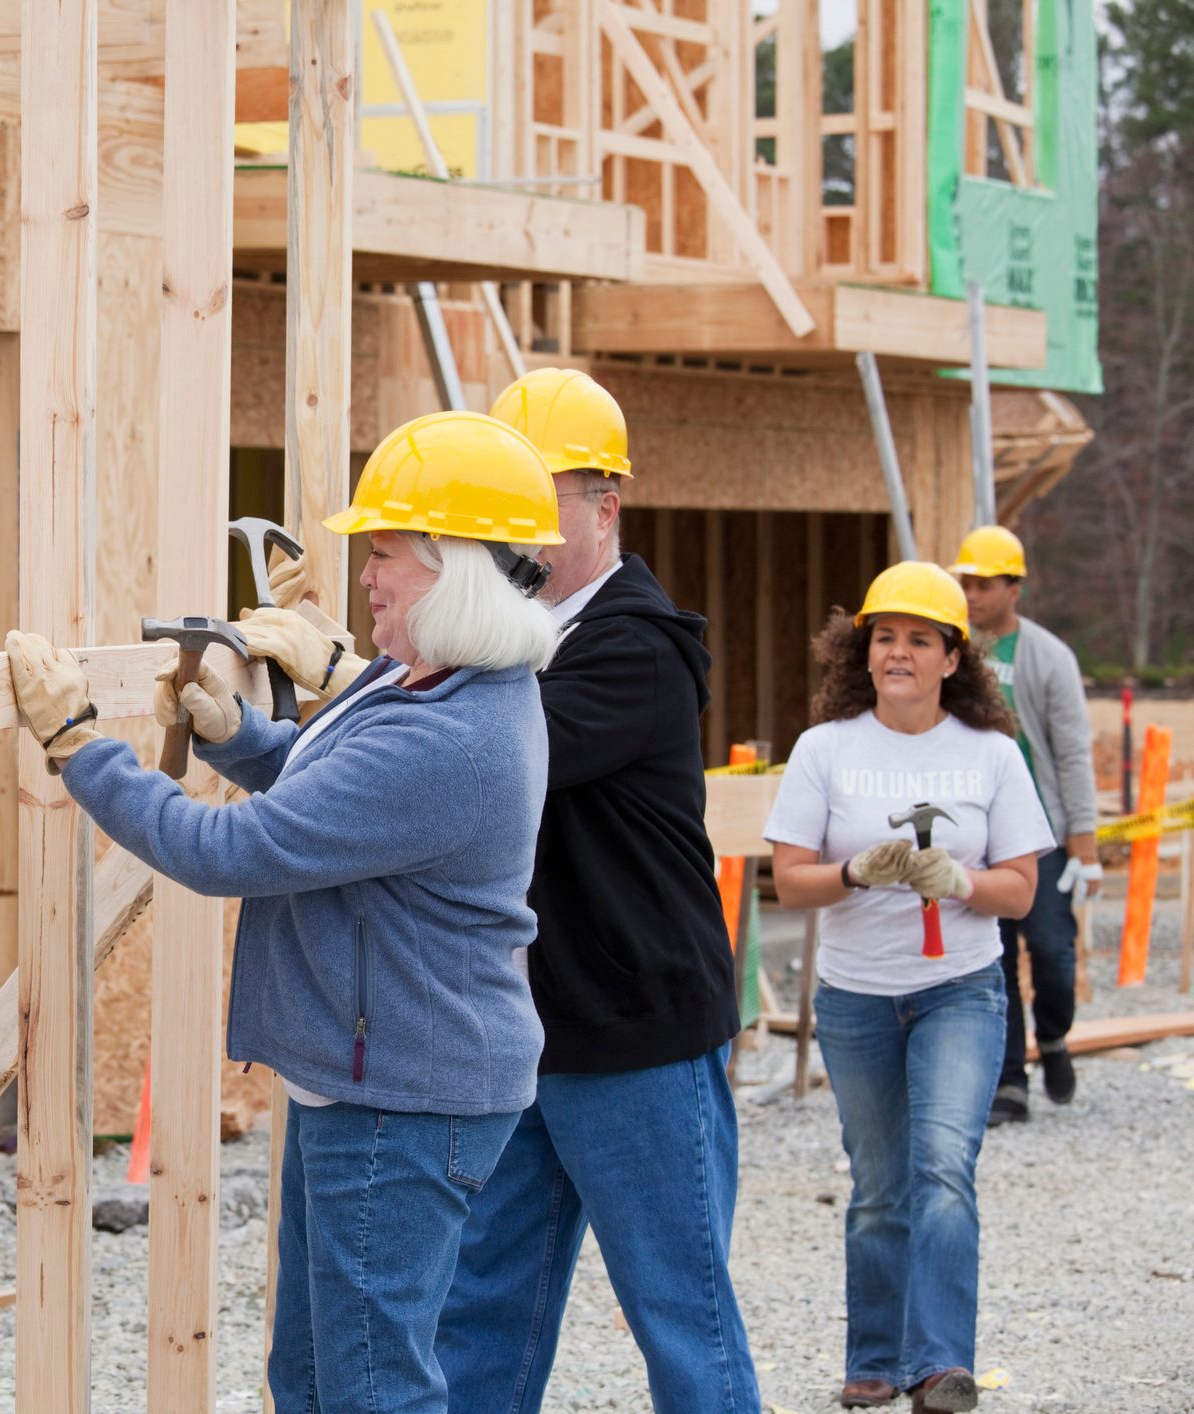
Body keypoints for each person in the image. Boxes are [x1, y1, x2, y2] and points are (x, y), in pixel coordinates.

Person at [5, 410, 561, 1412]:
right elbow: (339, 796)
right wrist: (241, 739)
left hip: (399, 1093)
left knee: (370, 1387)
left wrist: (82, 750)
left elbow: (232, 852)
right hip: (386, 1078)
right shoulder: (448, 690)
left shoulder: (447, 737)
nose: (369, 577)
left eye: (386, 553)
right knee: (313, 1376)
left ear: (453, 568)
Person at [430, 368, 753, 1412]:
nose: (511, 531)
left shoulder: (633, 646)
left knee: (681, 1319)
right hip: (532, 1034)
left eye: (539, 503)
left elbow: (497, 761)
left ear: (604, 508)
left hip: (641, 1035)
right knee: (480, 1312)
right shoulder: (520, 643)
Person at [766, 561, 1052, 1414]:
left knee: (941, 1170)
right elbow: (789, 882)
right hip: (854, 998)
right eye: (883, 637)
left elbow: (1021, 890)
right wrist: (854, 869)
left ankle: (936, 1367)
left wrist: (958, 883)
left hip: (959, 991)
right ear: (863, 652)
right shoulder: (826, 749)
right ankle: (874, 1359)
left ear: (951, 659)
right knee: (879, 1183)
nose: (897, 652)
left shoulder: (992, 757)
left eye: (917, 640)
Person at [949, 525, 1101, 1125]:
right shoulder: (955, 649)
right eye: (966, 583)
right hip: (980, 838)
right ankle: (1009, 1081)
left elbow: (1072, 754)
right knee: (996, 959)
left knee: (1054, 953)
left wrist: (1084, 849)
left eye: (984, 584)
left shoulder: (1048, 658)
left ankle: (1056, 1037)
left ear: (1015, 588)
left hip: (1041, 837)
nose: (972, 594)